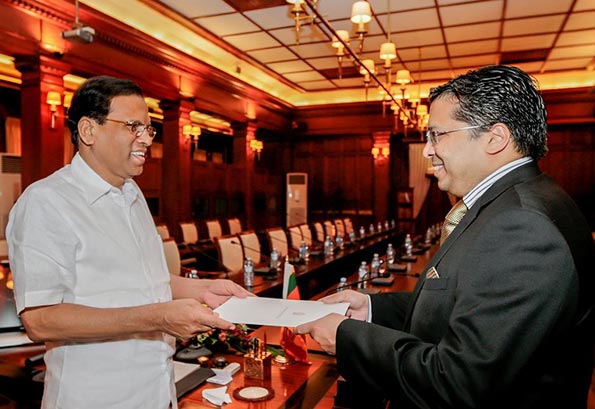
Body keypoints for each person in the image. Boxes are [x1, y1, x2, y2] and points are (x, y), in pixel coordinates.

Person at [296, 65, 594, 408]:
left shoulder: (522, 224)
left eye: (437, 135)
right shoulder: (520, 201)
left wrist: (345, 336)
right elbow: (465, 305)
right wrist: (371, 307)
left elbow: (457, 383)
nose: (427, 150)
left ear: (494, 138)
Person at [6, 76, 252, 409]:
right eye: (133, 126)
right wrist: (159, 318)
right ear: (89, 130)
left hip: (157, 390)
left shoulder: (131, 192)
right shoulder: (46, 202)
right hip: (96, 398)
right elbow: (40, 319)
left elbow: (144, 282)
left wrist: (203, 291)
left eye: (148, 129)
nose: (146, 140)